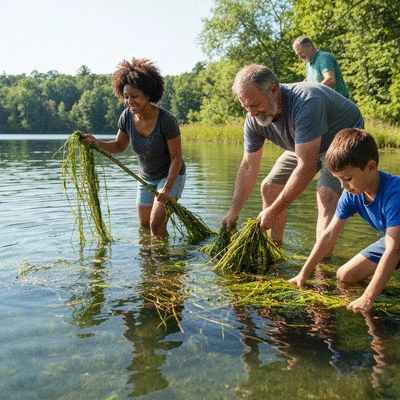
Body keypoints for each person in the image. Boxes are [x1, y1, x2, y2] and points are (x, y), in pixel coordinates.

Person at [221, 64, 364, 255]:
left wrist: (274, 210)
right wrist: (234, 211)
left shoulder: (306, 101)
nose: (252, 113)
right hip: (305, 143)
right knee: (269, 187)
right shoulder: (253, 119)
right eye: (245, 107)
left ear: (273, 90)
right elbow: (248, 166)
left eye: (255, 105)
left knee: (326, 195)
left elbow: (306, 167)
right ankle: (274, 249)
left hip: (340, 139)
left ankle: (322, 264)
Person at [289, 128, 400, 312]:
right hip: (395, 240)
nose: (343, 186)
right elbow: (329, 234)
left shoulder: (394, 194)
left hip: (395, 243)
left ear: (371, 167)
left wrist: (368, 297)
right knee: (345, 275)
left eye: (347, 178)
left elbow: (394, 249)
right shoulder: (352, 194)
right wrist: (303, 274)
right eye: (338, 179)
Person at [83, 58, 186, 238]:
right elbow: (118, 146)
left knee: (156, 224)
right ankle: (149, 263)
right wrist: (96, 143)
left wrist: (167, 188)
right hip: (146, 178)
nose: (129, 101)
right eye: (126, 97)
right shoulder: (126, 117)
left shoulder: (167, 121)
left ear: (148, 94)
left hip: (170, 177)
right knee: (145, 225)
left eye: (135, 96)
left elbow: (176, 158)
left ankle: (163, 262)